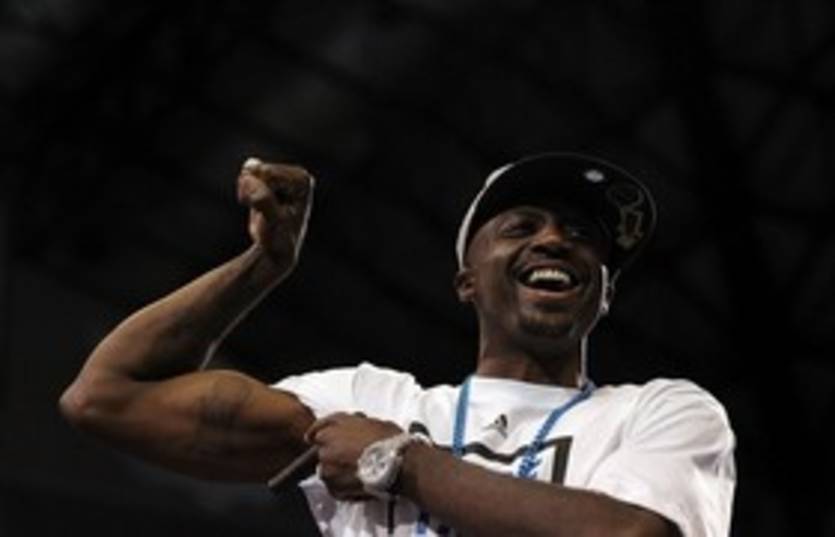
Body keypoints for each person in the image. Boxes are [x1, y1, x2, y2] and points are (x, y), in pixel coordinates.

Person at [60, 153, 736, 537]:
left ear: (604, 292)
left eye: (583, 236)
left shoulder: (660, 411)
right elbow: (106, 397)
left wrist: (397, 462)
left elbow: (634, 536)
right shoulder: (366, 399)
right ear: (466, 281)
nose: (555, 241)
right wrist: (262, 267)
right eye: (521, 226)